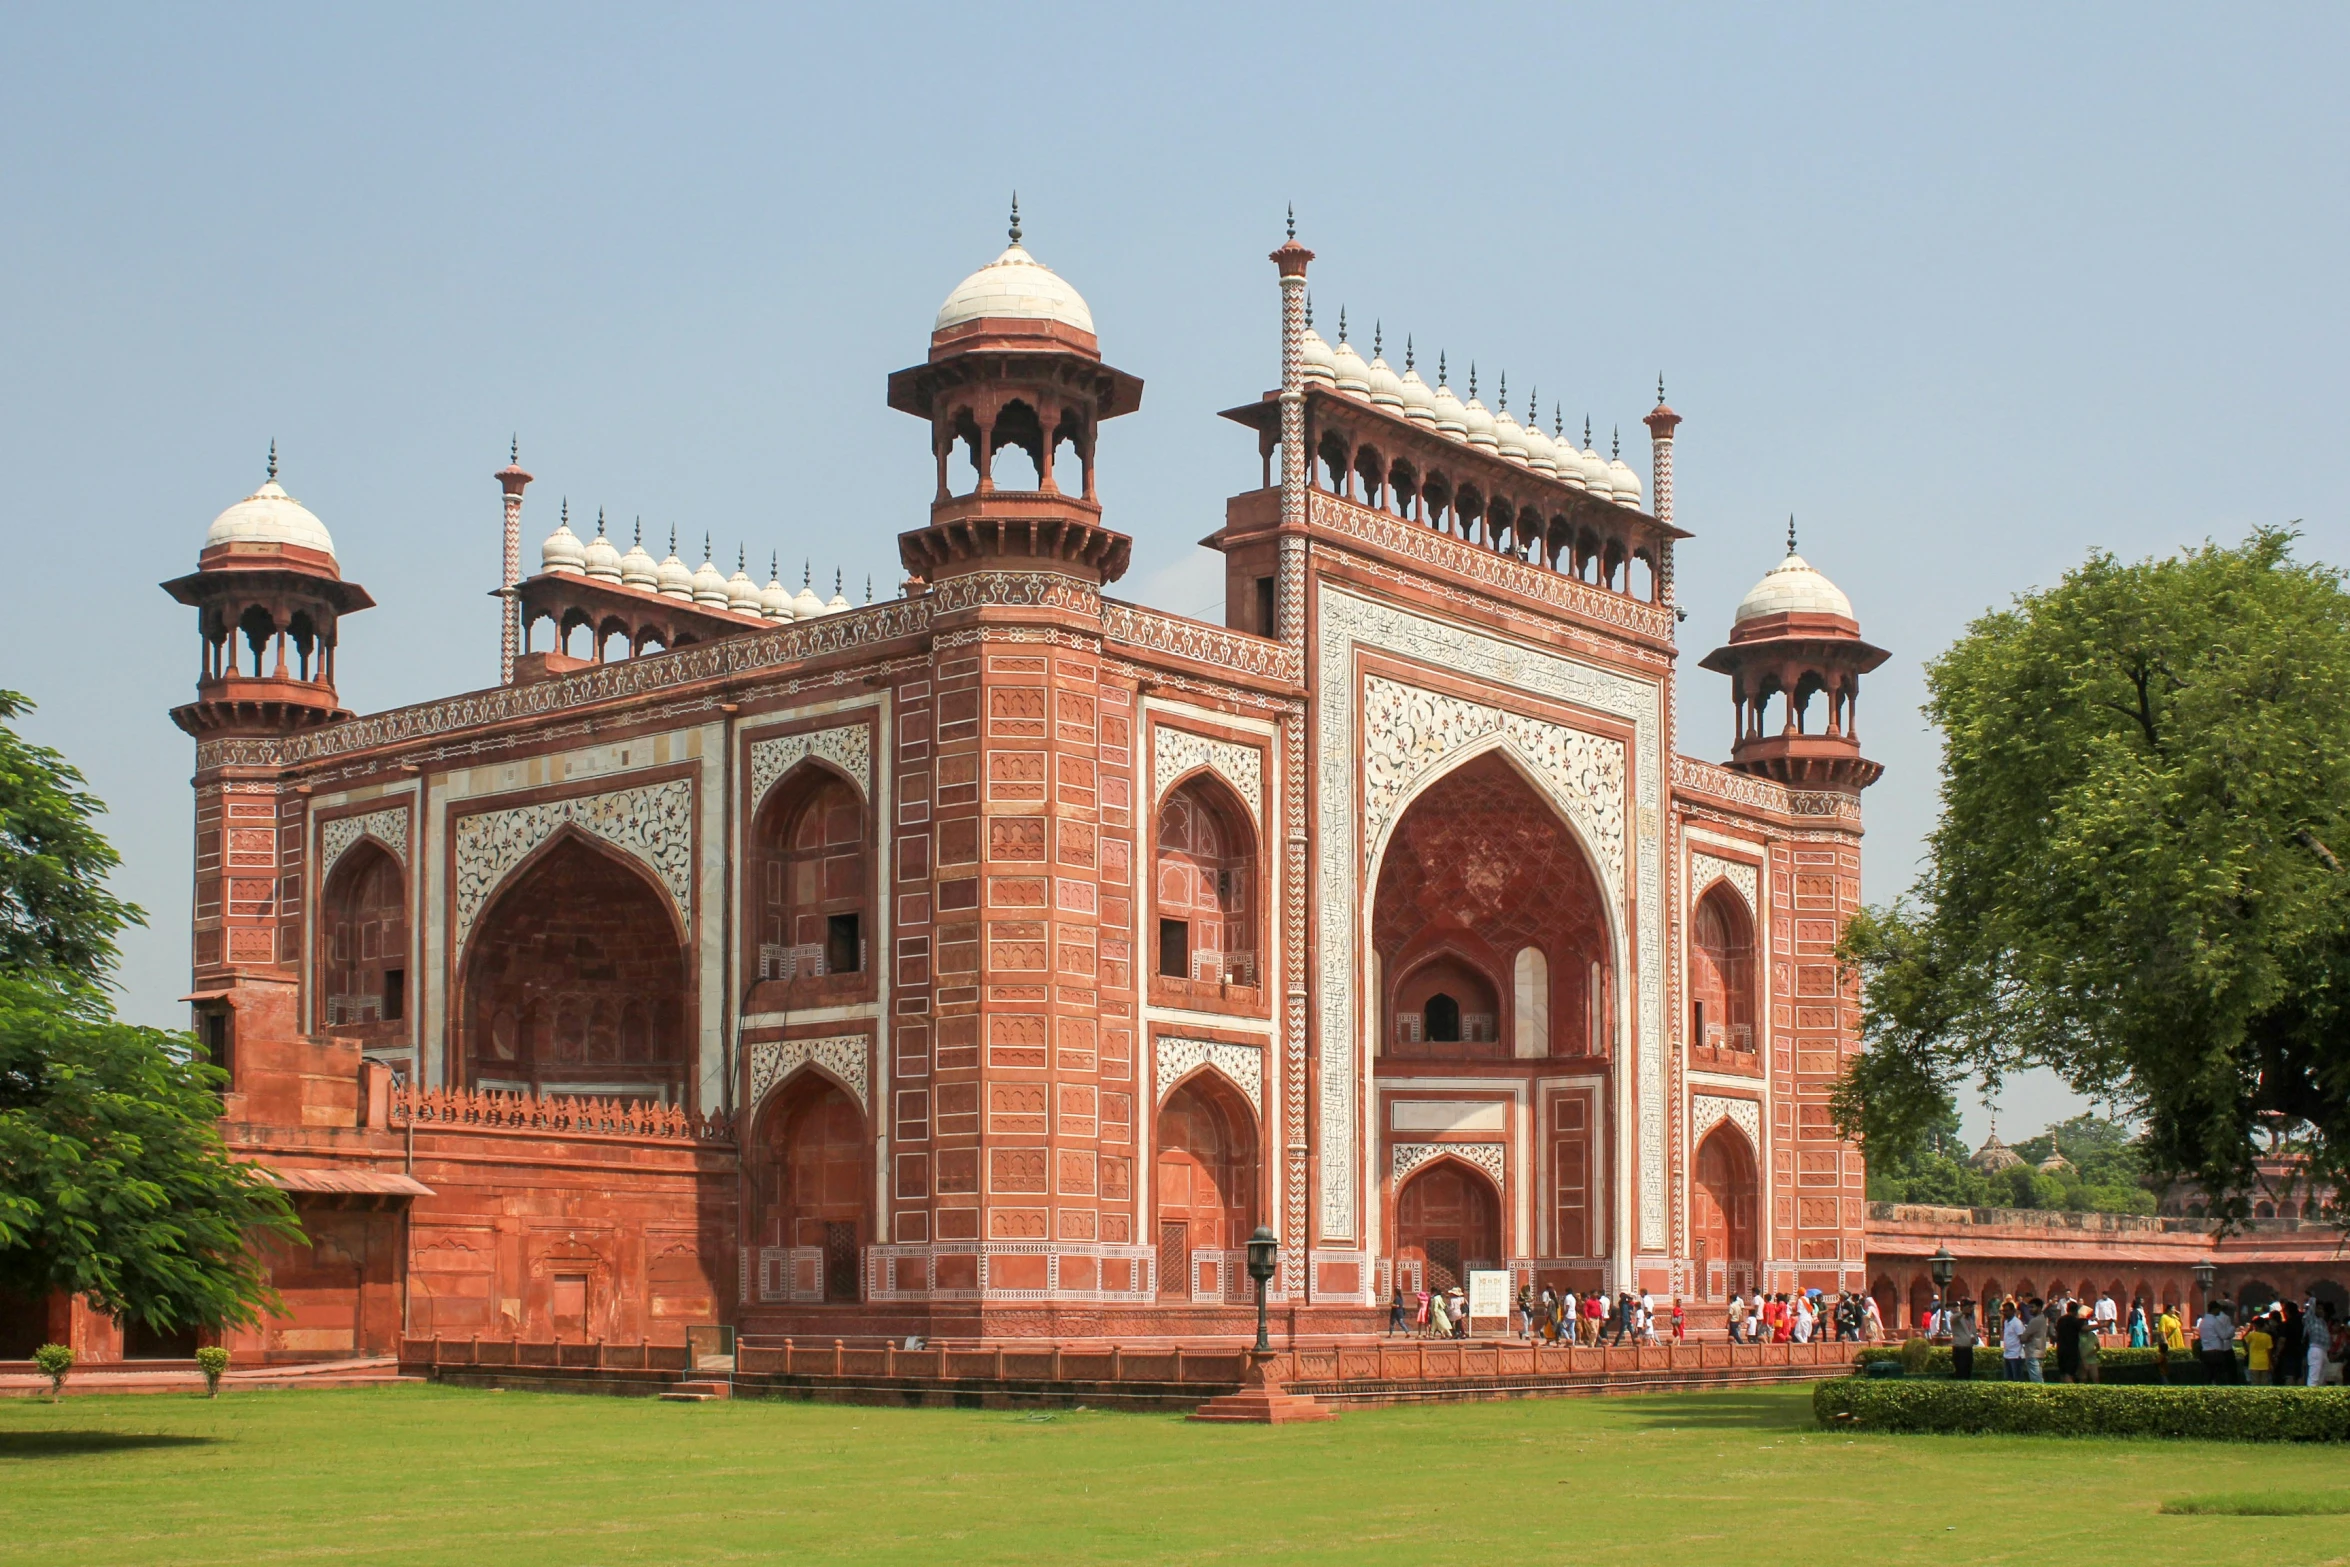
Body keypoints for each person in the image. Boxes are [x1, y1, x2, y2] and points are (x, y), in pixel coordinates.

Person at [2196, 1298, 2238, 1384]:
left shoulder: (2203, 1321)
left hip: (2205, 1351)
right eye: (2219, 1309)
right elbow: (2224, 1335)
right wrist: (2233, 1328)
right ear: (2214, 1309)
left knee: (2208, 1377)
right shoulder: (2214, 1321)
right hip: (2216, 1352)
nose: (2220, 1312)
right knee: (2219, 1377)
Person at [2019, 1297, 2051, 1381]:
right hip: (2039, 1352)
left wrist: (2022, 1337)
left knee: (2036, 1380)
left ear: (2039, 1308)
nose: (2030, 1309)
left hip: (2033, 1353)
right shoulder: (2043, 1318)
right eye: (2029, 1307)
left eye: (2032, 1307)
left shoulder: (2035, 1320)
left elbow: (2023, 1338)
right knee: (2038, 1378)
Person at [1950, 1298, 1979, 1381]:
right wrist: (1962, 1312)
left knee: (1968, 1372)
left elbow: (1974, 1333)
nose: (1971, 1309)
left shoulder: (1970, 1320)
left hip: (1968, 1349)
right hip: (1959, 1348)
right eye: (1969, 1307)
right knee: (1960, 1372)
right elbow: (1954, 1318)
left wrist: (1975, 1340)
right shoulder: (1956, 1318)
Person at [2054, 1301, 2082, 1383]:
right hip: (2071, 1350)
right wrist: (2101, 1325)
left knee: (2062, 1374)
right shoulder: (2075, 1321)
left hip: (2060, 1349)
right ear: (2076, 1310)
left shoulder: (2060, 1320)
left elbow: (2056, 1332)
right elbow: (2084, 1328)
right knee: (2069, 1374)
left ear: (2067, 1309)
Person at [2244, 1311, 2275, 1386]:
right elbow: (2269, 1351)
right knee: (2264, 1383)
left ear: (2255, 1325)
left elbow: (2244, 1340)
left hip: (2254, 1362)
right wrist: (2270, 1363)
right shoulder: (2268, 1337)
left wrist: (2247, 1349)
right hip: (2264, 1362)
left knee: (2255, 1382)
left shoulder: (2251, 1335)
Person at [2001, 1300, 2027, 1381]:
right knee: (2008, 1379)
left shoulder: (2017, 1323)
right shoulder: (2006, 1322)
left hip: (2016, 1355)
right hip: (2007, 1354)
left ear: (2013, 1311)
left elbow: (2022, 1338)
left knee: (2017, 1379)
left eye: (2007, 1311)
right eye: (2004, 1311)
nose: (2005, 1313)